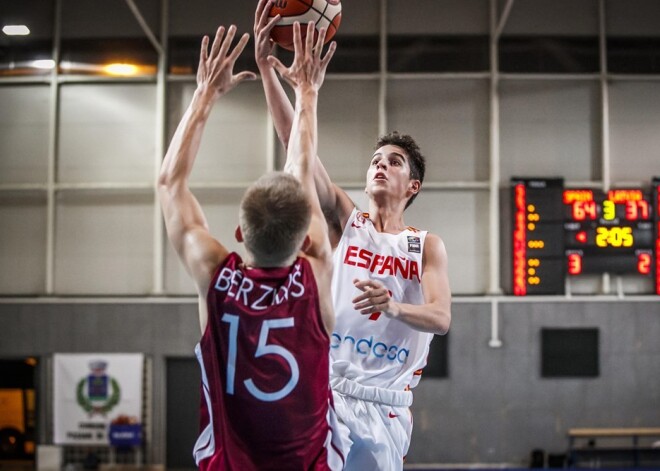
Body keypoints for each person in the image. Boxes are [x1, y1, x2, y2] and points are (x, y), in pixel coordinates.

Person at [255, 1, 452, 469]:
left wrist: (394, 306)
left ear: (413, 185)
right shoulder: (349, 220)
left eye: (394, 161)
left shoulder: (426, 244)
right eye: (376, 160)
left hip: (386, 404)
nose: (381, 164)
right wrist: (265, 67)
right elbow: (295, 144)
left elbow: (441, 317)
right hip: (327, 392)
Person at [158, 22, 345, 470]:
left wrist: (205, 94)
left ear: (239, 234)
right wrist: (307, 92)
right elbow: (301, 161)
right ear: (305, 237)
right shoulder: (316, 269)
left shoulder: (215, 277)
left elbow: (169, 183)